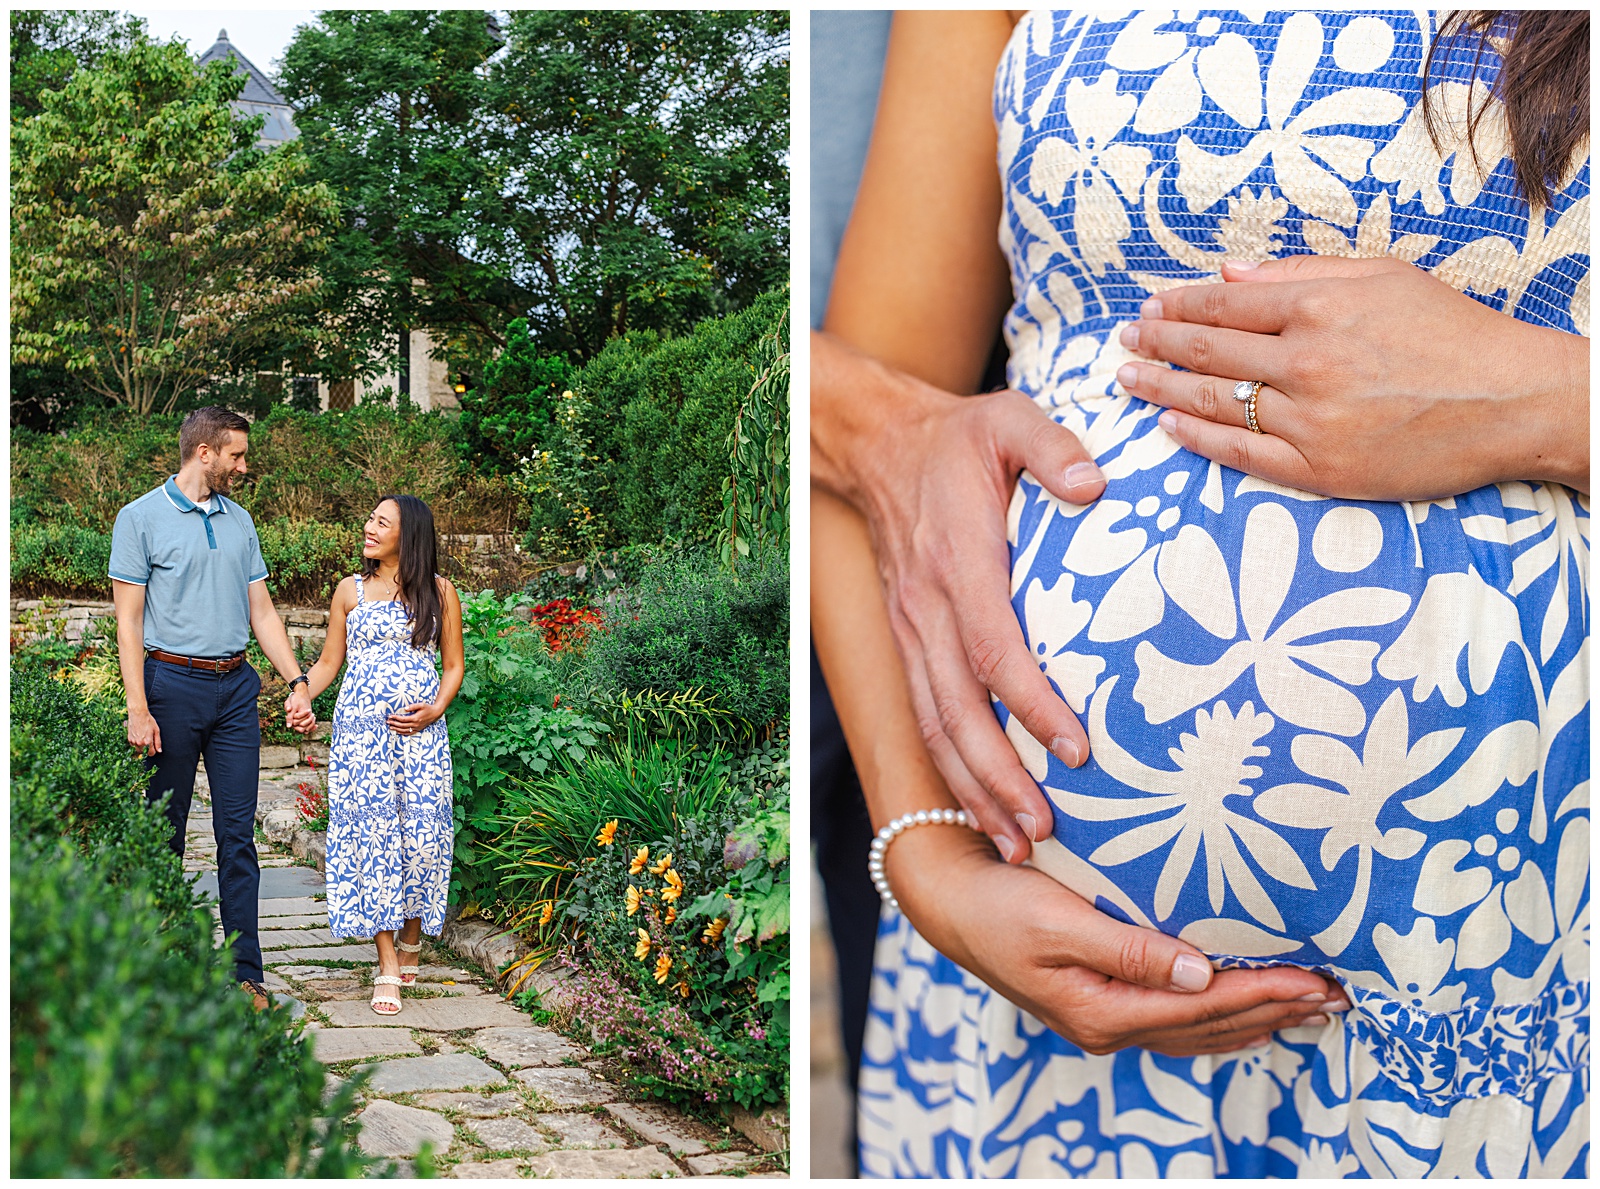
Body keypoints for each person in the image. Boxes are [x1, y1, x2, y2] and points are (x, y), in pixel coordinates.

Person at [813, 10, 1588, 1178]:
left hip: (1525, 964)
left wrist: (1544, 396)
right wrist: (925, 857)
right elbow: (865, 440)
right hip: (1037, 1024)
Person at [111, 406, 316, 1013]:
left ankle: (245, 975)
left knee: (236, 837)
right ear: (205, 453)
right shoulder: (140, 518)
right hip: (169, 685)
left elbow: (263, 613)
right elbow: (127, 623)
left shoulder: (240, 521)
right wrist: (137, 707)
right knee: (164, 834)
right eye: (237, 455)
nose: (243, 466)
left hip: (234, 692)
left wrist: (296, 680)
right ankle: (155, 967)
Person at [299, 494, 463, 1015]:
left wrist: (435, 709)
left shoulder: (440, 592)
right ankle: (387, 962)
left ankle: (413, 935)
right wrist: (302, 690)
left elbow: (454, 665)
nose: (368, 527)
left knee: (423, 839)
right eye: (370, 518)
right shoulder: (350, 590)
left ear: (407, 535)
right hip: (361, 739)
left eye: (381, 522)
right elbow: (329, 661)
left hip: (421, 737)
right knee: (373, 841)